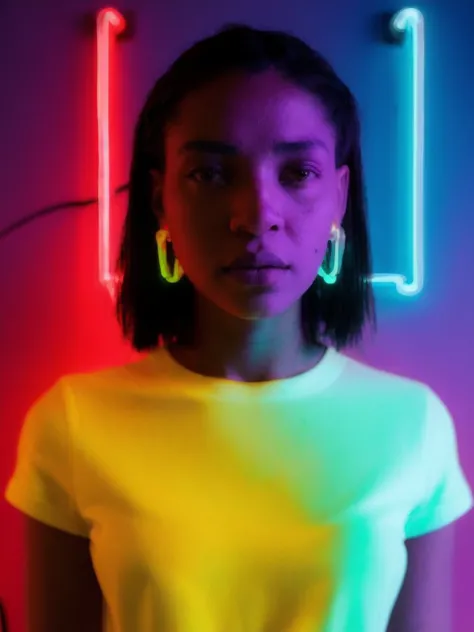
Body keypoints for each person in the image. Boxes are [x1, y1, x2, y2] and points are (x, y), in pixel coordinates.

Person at [4, 23, 473, 632]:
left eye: (297, 173)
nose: (255, 217)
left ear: (339, 196)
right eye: (210, 174)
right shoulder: (71, 423)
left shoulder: (412, 424)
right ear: (160, 198)